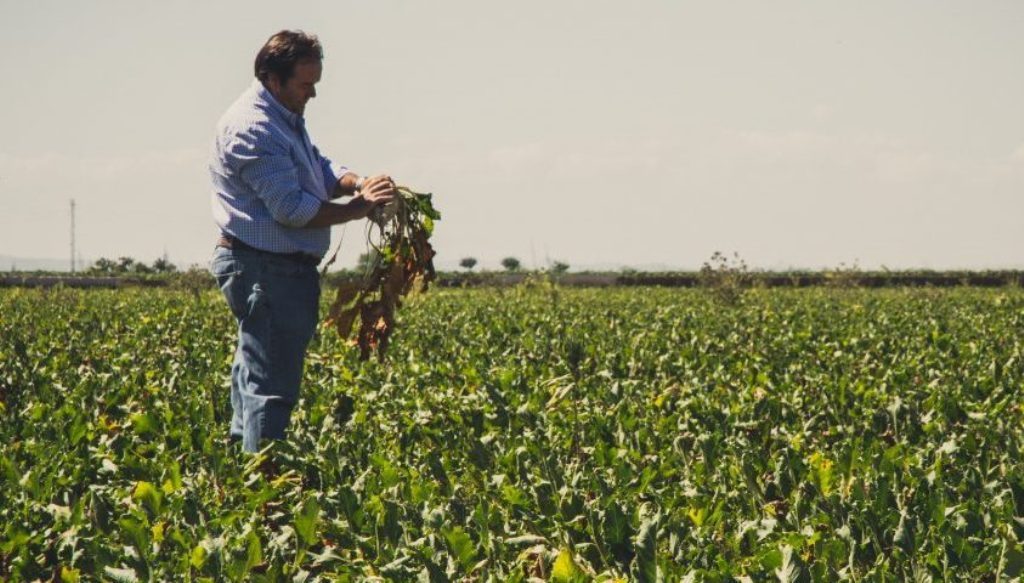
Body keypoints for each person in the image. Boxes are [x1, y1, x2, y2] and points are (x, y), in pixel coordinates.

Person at [208, 30, 397, 453]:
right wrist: (359, 208)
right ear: (273, 79)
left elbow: (318, 170)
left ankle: (246, 474)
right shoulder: (252, 128)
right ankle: (265, 495)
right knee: (269, 386)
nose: (312, 94)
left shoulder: (281, 116)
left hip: (273, 268)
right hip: (265, 269)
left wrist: (358, 183)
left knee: (255, 375)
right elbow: (293, 210)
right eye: (305, 84)